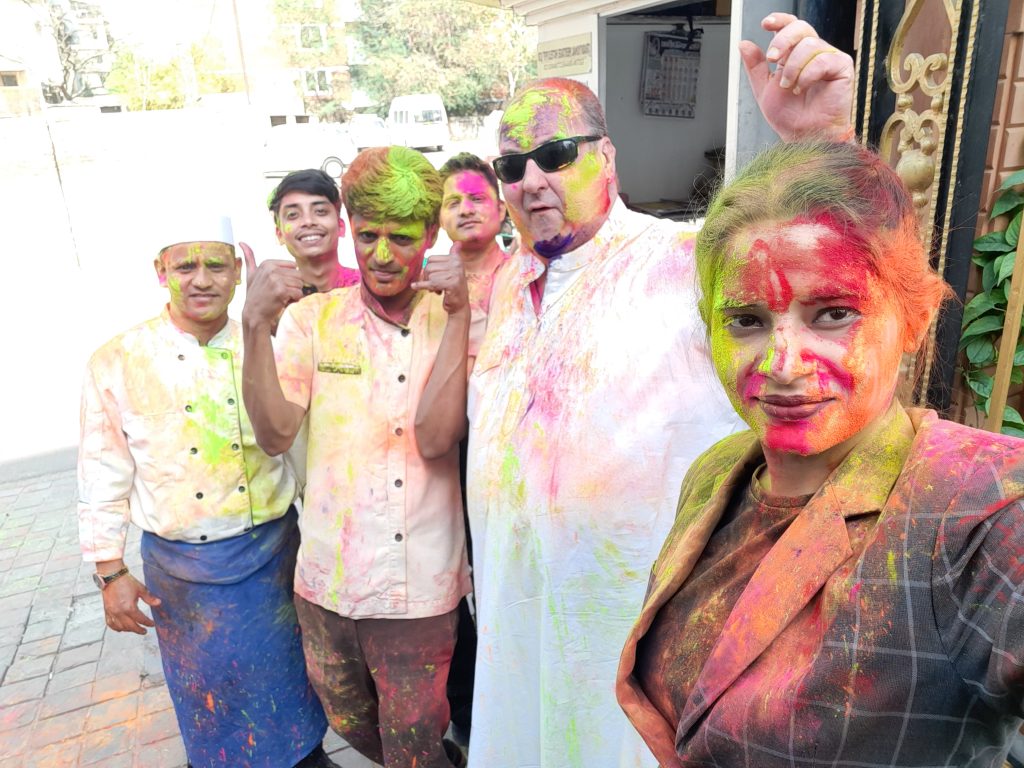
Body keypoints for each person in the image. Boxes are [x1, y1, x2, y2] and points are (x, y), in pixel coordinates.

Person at [416, 12, 857, 768]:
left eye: (557, 154)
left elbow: (823, 278)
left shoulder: (687, 262)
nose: (533, 181)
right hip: (519, 641)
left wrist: (820, 145)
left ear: (608, 156)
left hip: (630, 645)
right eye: (513, 166)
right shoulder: (508, 283)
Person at [616, 139, 1024, 766]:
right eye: (746, 320)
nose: (783, 365)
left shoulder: (973, 506)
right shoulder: (718, 471)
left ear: (912, 318)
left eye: (833, 313)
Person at [240, 146, 472, 768]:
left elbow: (436, 438)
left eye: (401, 237)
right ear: (352, 229)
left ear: (431, 235)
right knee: (348, 718)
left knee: (413, 741)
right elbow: (273, 434)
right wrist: (252, 328)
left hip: (418, 582)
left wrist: (460, 317)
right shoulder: (315, 320)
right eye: (368, 235)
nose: (382, 254)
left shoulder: (453, 318)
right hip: (327, 576)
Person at [77, 217, 333, 768]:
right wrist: (110, 572)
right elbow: (102, 472)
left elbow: (306, 451)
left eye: (216, 264)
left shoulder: (271, 345)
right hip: (180, 575)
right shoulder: (117, 360)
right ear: (160, 271)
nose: (201, 279)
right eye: (185, 265)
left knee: (291, 683)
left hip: (273, 559)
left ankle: (307, 758)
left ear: (238, 272)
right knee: (208, 700)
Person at [438, 152, 511, 371]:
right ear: (439, 219)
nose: (466, 210)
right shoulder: (427, 286)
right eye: (453, 203)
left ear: (500, 210)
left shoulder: (525, 278)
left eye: (477, 199)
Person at [268, 168, 360, 293]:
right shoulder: (276, 300)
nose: (308, 222)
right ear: (279, 234)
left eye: (320, 211)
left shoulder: (369, 289)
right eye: (293, 214)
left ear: (341, 226)